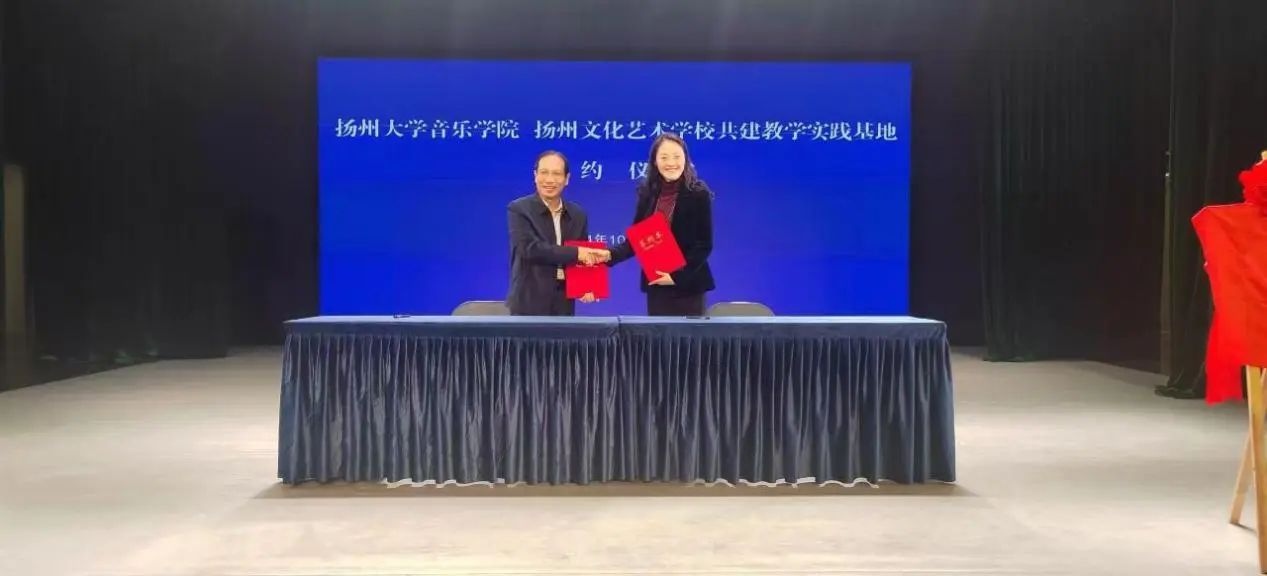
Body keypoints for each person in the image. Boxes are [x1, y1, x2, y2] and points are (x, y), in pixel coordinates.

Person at [609, 133, 714, 316]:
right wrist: (608, 256)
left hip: (689, 287)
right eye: (664, 157)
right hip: (657, 284)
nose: (671, 163)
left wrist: (675, 277)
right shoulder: (648, 193)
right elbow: (636, 239)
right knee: (658, 335)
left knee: (687, 336)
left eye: (676, 156)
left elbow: (704, 245)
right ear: (655, 162)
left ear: (685, 159)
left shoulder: (698, 194)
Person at [506, 151, 609, 316]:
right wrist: (577, 253)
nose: (549, 180)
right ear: (535, 176)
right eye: (544, 172)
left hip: (563, 302)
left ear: (567, 179)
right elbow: (529, 249)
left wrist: (586, 285)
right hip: (528, 301)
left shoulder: (578, 214)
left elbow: (582, 258)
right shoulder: (519, 209)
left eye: (556, 174)